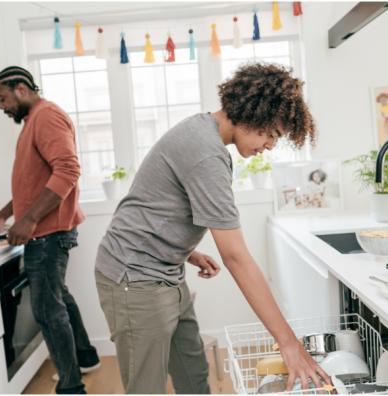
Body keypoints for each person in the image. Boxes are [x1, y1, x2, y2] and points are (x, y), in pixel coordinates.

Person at [95, 63, 330, 394]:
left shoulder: (203, 133)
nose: (271, 145)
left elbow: (153, 201)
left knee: (193, 374)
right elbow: (235, 256)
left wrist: (185, 251)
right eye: (272, 134)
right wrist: (288, 343)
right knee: (145, 387)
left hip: (167, 271)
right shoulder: (206, 153)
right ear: (254, 114)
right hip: (133, 278)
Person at [0, 66, 100, 394]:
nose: (0, 106)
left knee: (46, 310)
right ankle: (85, 355)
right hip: (47, 230)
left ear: (21, 88)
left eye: (2, 98)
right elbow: (34, 183)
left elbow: (68, 170)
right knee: (58, 298)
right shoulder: (32, 121)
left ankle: (71, 388)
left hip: (48, 233)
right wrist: (5, 214)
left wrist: (27, 221)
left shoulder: (47, 117)